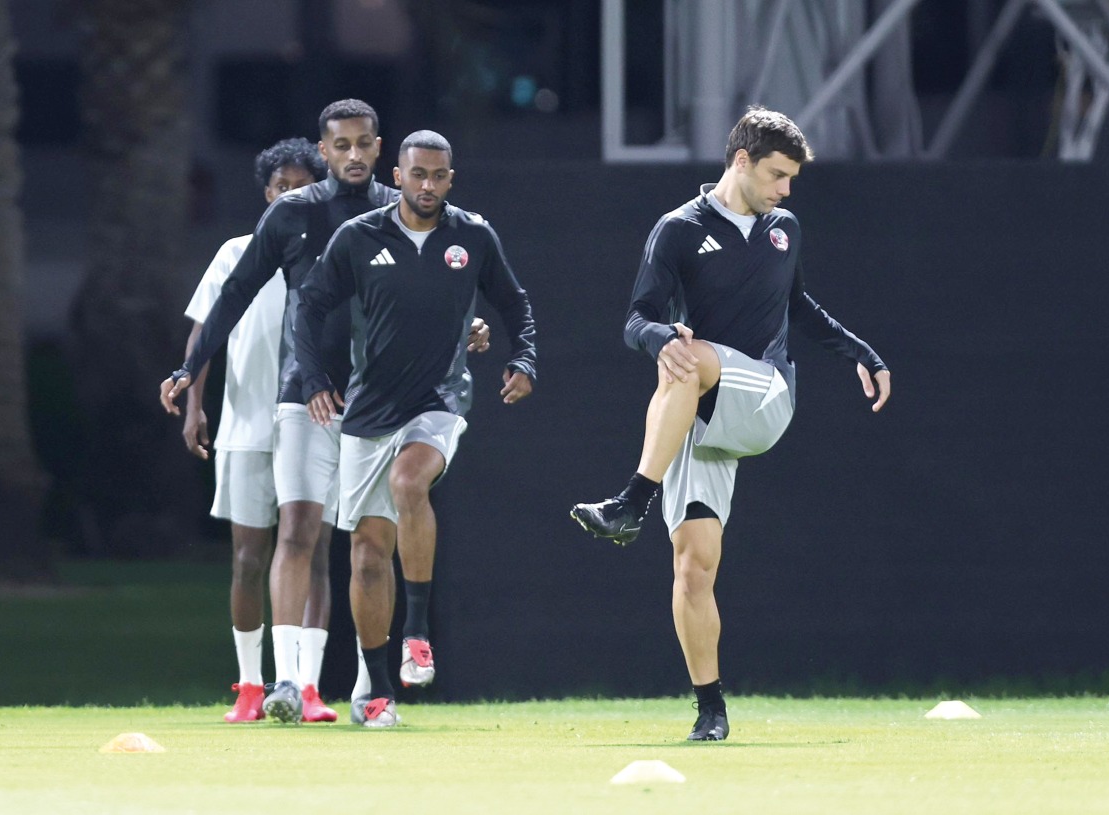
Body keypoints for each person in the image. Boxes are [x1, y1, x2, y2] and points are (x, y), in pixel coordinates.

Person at [160, 100, 489, 724]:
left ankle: (372, 687)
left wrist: (466, 324)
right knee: (298, 531)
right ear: (325, 149)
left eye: (365, 144)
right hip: (304, 397)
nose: (355, 155)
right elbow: (233, 295)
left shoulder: (404, 209)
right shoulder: (292, 215)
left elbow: (445, 286)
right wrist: (188, 368)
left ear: (379, 146)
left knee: (370, 546)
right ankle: (287, 682)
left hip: (383, 401)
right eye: (342, 145)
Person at [570, 107, 891, 742]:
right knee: (692, 566)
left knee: (689, 359)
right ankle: (710, 710)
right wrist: (660, 333)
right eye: (777, 175)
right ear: (740, 160)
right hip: (704, 410)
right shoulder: (678, 230)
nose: (786, 190)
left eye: (792, 178)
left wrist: (861, 351)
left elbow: (797, 305)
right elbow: (637, 320)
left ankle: (631, 500)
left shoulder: (784, 228)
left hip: (767, 396)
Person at [295, 130, 537, 728]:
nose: (427, 185)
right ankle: (376, 691)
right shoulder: (359, 238)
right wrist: (313, 378)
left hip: (440, 398)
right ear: (396, 176)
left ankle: (418, 632)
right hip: (370, 408)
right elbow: (310, 305)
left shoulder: (472, 236)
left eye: (438, 176)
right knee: (368, 557)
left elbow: (515, 305)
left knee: (410, 483)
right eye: (417, 175)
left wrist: (523, 358)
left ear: (450, 179)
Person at [179, 138, 328, 723]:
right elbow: (204, 334)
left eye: (298, 186)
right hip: (246, 424)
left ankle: (307, 687)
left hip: (315, 423)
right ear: (265, 193)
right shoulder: (236, 253)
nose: (287, 194)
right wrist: (195, 406)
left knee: (314, 554)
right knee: (247, 557)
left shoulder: (330, 252)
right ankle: (249, 685)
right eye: (279, 186)